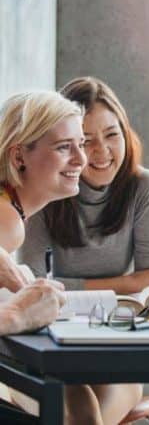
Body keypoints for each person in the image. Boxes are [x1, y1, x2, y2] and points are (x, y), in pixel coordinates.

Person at [19, 76, 149, 425]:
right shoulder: (44, 190)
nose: (101, 152)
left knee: (88, 418)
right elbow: (34, 290)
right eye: (85, 141)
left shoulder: (144, 188)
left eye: (112, 135)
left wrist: (130, 286)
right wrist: (123, 283)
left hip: (114, 347)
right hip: (49, 347)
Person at [0, 90, 89, 423]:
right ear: (19, 156)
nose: (82, 159)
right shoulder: (7, 221)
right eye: (64, 147)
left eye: (81, 143)